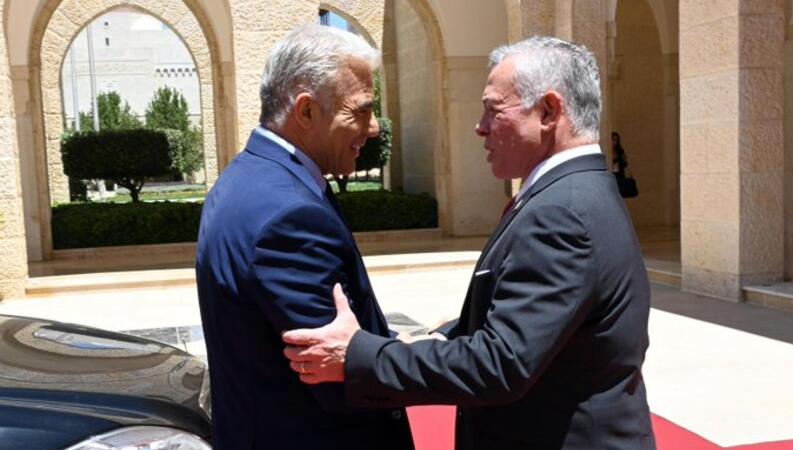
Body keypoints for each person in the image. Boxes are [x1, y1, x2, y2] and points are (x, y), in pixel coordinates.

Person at [283, 36, 655, 450]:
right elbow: (540, 322)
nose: (479, 126)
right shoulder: (576, 190)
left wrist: (358, 356)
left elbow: (501, 364)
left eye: (493, 110)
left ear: (549, 111)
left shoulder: (560, 212)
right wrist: (445, 336)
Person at [195, 24, 414, 450]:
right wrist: (440, 361)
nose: (373, 128)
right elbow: (339, 377)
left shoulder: (248, 177)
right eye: (362, 110)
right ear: (307, 111)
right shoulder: (288, 215)